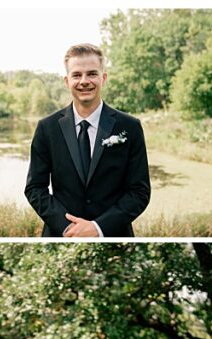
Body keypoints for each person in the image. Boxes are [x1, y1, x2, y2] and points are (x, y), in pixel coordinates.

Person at [24, 43, 150, 238]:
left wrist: (98, 228)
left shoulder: (130, 127)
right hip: (61, 235)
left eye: (92, 74)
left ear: (103, 78)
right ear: (67, 81)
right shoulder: (47, 128)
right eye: (77, 75)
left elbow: (139, 192)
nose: (84, 81)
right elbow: (35, 188)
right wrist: (67, 227)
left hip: (113, 237)